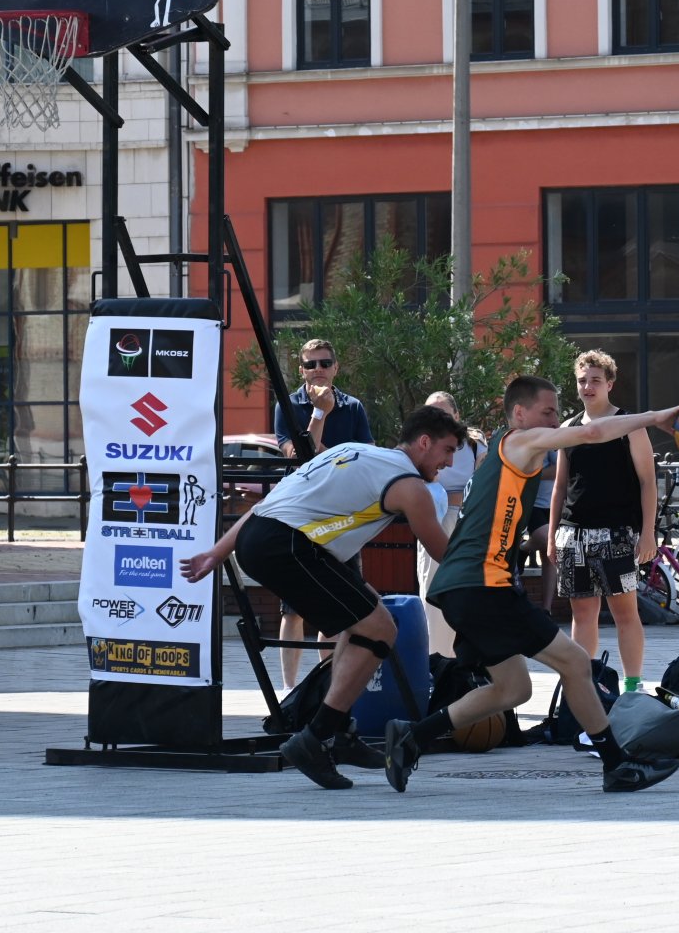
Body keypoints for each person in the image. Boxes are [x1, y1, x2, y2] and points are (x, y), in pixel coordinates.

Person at [382, 376, 679, 794]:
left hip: (467, 587)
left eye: (556, 413)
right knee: (577, 663)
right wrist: (656, 417)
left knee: (514, 688)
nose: (555, 420)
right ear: (520, 413)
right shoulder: (519, 443)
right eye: (547, 411)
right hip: (483, 586)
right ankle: (617, 765)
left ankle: (411, 736)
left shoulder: (501, 456)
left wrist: (525, 542)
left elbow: (492, 523)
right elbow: (594, 431)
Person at [180, 406, 465, 790]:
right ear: (424, 442)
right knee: (380, 628)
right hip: (291, 545)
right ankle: (314, 738)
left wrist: (218, 552)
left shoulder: (351, 450)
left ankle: (339, 731)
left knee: (369, 618)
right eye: (447, 450)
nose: (449, 462)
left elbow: (267, 504)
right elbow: (443, 552)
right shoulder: (409, 486)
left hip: (262, 536)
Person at [547, 350, 658, 694]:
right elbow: (560, 486)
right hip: (573, 532)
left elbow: (647, 481)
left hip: (617, 533)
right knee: (582, 615)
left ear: (609, 383)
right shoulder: (567, 428)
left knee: (625, 612)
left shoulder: (629, 425)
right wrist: (552, 536)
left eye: (595, 380)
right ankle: (584, 686)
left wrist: (648, 533)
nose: (587, 386)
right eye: (582, 380)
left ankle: (633, 686)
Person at [271, 338, 374, 686]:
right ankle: (289, 687)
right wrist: (319, 414)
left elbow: (363, 459)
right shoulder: (287, 405)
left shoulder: (354, 407)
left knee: (338, 605)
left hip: (341, 514)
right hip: (300, 514)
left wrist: (326, 452)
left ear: (336, 367)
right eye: (311, 364)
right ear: (301, 369)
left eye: (324, 363)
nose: (318, 370)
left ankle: (326, 684)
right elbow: (297, 455)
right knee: (293, 607)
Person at [416, 390, 482, 653]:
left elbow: (479, 487)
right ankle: (436, 658)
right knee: (431, 591)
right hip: (432, 520)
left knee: (467, 591)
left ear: (456, 415)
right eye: (431, 413)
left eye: (443, 413)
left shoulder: (475, 445)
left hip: (466, 523)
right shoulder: (419, 446)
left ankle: (465, 658)